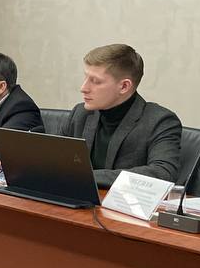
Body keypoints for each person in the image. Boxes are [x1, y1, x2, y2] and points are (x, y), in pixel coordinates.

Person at [62, 43, 181, 187]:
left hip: (124, 201)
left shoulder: (159, 121)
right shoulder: (80, 114)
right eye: (86, 77)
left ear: (124, 86)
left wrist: (85, 176)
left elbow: (163, 173)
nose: (83, 88)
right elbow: (56, 162)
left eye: (95, 81)